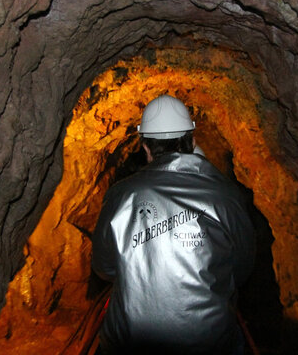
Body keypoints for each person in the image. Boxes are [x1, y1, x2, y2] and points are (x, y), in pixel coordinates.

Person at [92, 94, 256, 355]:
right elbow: (243, 266)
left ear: (145, 147)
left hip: (129, 342)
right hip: (208, 342)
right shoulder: (225, 195)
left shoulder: (120, 195)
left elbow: (104, 268)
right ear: (192, 141)